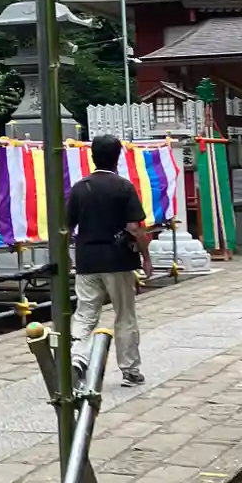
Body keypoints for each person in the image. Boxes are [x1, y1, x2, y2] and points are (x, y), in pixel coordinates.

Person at [67, 134, 152, 387]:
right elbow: (135, 228)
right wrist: (146, 257)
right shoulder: (123, 187)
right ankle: (130, 369)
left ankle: (78, 359)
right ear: (118, 157)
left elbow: (67, 227)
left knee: (85, 314)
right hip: (119, 260)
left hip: (87, 260)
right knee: (124, 314)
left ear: (92, 156)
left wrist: (67, 258)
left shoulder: (80, 188)